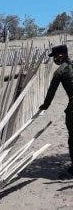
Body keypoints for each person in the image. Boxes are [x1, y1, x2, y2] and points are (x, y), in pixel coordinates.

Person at [39, 44, 73, 174]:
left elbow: (51, 92)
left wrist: (44, 106)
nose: (54, 60)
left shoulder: (60, 71)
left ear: (61, 55)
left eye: (55, 57)